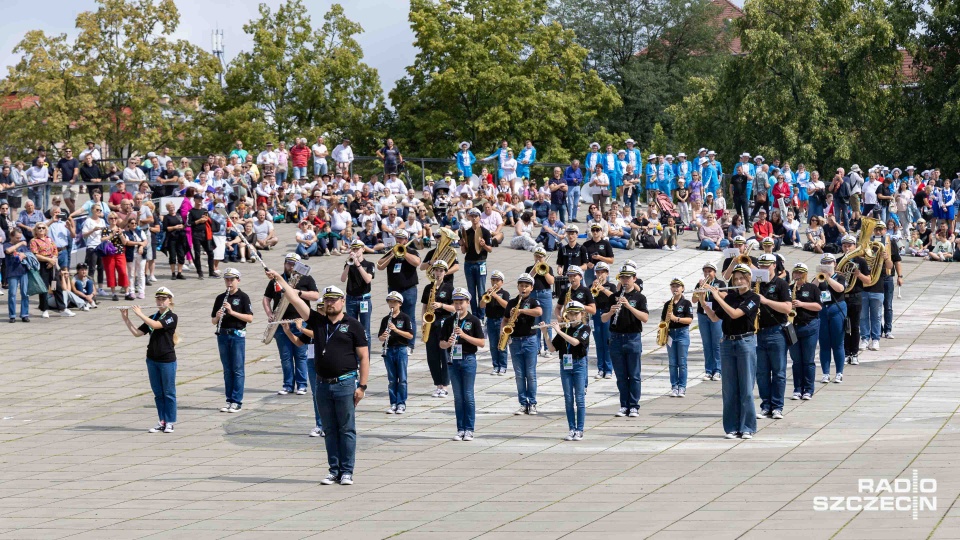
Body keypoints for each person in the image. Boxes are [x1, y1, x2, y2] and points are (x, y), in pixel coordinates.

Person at [270, 280, 370, 486]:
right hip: (322, 384)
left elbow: (364, 357)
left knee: (346, 428)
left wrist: (362, 386)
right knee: (329, 429)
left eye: (334, 300)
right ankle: (334, 470)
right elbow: (296, 300)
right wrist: (280, 281)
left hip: (344, 383)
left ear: (343, 301)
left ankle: (347, 471)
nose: (330, 304)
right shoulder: (318, 322)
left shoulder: (353, 325)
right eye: (327, 301)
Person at [701, 264, 760, 438]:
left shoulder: (753, 298)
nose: (738, 281)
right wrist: (704, 301)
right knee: (729, 388)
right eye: (736, 279)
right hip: (727, 343)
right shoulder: (730, 297)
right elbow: (714, 317)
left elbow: (735, 314)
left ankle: (747, 427)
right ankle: (732, 427)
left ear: (748, 279)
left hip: (745, 342)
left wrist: (718, 296)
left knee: (746, 388)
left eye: (742, 278)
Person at [119, 288, 179, 433]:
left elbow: (156, 325)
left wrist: (140, 313)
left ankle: (170, 421)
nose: (160, 302)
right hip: (152, 359)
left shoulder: (171, 316)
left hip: (167, 360)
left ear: (169, 300)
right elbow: (137, 333)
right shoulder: (153, 315)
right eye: (158, 299)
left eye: (163, 299)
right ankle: (162, 420)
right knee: (158, 393)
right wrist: (126, 318)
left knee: (169, 392)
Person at [263, 253, 319, 395]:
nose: (291, 266)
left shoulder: (306, 278)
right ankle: (288, 385)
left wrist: (298, 292)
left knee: (301, 355)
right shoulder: (276, 280)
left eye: (294, 264)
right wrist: (269, 313)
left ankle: (302, 385)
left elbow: (316, 296)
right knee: (285, 356)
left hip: (300, 321)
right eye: (288, 263)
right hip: (282, 322)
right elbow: (266, 298)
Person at [601, 262, 648, 418]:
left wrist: (629, 307)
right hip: (616, 338)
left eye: (628, 278)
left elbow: (645, 318)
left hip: (632, 337)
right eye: (623, 278)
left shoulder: (640, 297)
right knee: (621, 376)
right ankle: (623, 405)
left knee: (634, 375)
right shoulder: (614, 296)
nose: (625, 281)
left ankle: (634, 405)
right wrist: (611, 312)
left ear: (634, 279)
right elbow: (603, 318)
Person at [438, 288, 485, 441]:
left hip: (468, 359)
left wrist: (464, 335)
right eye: (456, 303)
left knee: (468, 396)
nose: (458, 306)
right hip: (453, 360)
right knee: (458, 397)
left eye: (461, 303)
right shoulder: (449, 321)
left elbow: (482, 343)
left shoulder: (474, 320)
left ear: (467, 303)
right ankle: (460, 429)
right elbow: (441, 344)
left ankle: (469, 429)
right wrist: (448, 343)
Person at [541, 301, 591, 441]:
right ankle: (571, 429)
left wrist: (558, 331)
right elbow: (552, 349)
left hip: (579, 364)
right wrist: (546, 333)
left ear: (582, 314)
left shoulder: (585, 328)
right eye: (570, 314)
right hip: (565, 365)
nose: (573, 316)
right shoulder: (565, 329)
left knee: (579, 399)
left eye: (576, 314)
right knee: (568, 399)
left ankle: (580, 430)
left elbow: (575, 342)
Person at [754, 253, 792, 421]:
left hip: (777, 331)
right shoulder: (755, 284)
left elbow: (787, 308)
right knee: (761, 373)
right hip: (759, 332)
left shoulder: (781, 284)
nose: (763, 268)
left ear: (774, 266)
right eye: (761, 265)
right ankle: (766, 405)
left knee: (779, 372)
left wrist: (766, 301)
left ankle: (777, 406)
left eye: (766, 265)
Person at [212, 268, 254, 413]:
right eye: (227, 280)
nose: (229, 282)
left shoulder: (243, 297)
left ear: (238, 280)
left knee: (237, 369)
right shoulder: (220, 298)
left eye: (232, 279)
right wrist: (218, 316)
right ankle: (229, 399)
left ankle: (237, 401)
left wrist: (232, 312)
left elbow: (250, 318)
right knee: (227, 369)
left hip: (237, 335)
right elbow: (213, 320)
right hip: (222, 334)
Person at [503, 273, 543, 415]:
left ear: (531, 288)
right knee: (519, 374)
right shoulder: (511, 302)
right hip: (515, 340)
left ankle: (532, 403)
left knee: (530, 373)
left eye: (526, 286)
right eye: (521, 286)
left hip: (529, 340)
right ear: (518, 287)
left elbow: (539, 312)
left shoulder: (533, 301)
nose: (523, 288)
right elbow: (506, 319)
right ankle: (522, 403)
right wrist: (504, 332)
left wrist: (521, 311)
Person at [787, 263, 822, 402]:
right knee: (796, 361)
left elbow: (819, 306)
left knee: (808, 360)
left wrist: (802, 304)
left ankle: (808, 389)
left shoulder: (812, 288)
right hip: (792, 327)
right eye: (796, 273)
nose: (798, 275)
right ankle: (797, 388)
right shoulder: (789, 289)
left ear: (806, 274)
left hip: (809, 326)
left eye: (801, 273)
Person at [422, 260, 455, 398]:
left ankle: (445, 385)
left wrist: (441, 305)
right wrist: (424, 321)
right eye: (436, 270)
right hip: (431, 323)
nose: (438, 273)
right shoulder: (428, 288)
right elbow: (424, 306)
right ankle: (438, 385)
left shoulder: (450, 288)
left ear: (445, 272)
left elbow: (454, 307)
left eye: (441, 270)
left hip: (444, 322)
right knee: (432, 357)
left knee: (444, 355)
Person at [377, 291, 413, 414]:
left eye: (394, 302)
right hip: (389, 349)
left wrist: (396, 330)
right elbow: (380, 338)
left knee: (402, 378)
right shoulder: (385, 319)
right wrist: (384, 335)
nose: (392, 304)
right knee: (392, 379)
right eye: (390, 302)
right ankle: (393, 403)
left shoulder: (405, 318)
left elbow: (410, 335)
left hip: (401, 349)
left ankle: (401, 403)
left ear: (400, 303)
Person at [816, 254, 847, 391]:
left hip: (837, 309)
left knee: (838, 342)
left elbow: (840, 289)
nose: (827, 264)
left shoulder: (840, 276)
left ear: (834, 264)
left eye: (829, 262)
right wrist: (819, 278)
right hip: (823, 310)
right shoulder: (820, 278)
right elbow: (811, 288)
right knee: (824, 343)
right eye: (824, 263)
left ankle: (839, 372)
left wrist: (828, 277)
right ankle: (825, 373)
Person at [839, 235, 869, 371]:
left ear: (854, 246)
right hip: (842, 296)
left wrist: (859, 275)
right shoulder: (838, 261)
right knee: (844, 327)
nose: (847, 248)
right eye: (844, 245)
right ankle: (846, 352)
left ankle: (854, 353)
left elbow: (868, 280)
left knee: (855, 326)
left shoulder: (861, 262)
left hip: (855, 296)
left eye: (849, 245)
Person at [692, 263, 725, 381]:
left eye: (709, 271)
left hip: (716, 314)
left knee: (717, 343)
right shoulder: (700, 284)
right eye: (705, 271)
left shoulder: (720, 283)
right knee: (707, 344)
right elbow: (694, 300)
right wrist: (700, 289)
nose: (707, 274)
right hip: (703, 314)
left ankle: (718, 370)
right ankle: (708, 370)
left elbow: (725, 296)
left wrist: (712, 289)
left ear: (714, 272)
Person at [663, 278, 694, 397]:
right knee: (672, 362)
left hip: (682, 333)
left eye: (677, 287)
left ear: (683, 288)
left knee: (682, 362)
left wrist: (676, 318)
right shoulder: (668, 304)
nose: (675, 289)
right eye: (673, 287)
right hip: (670, 333)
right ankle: (674, 386)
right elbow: (663, 320)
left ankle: (682, 387)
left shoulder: (686, 303)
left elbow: (690, 320)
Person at [340, 240, 376, 345]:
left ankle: (366, 358)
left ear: (363, 249)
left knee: (365, 330)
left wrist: (358, 264)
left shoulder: (369, 264)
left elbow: (368, 279)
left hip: (364, 299)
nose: (355, 251)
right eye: (353, 249)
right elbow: (342, 279)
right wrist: (348, 264)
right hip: (351, 299)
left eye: (357, 249)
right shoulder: (349, 263)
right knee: (352, 328)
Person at [460, 208, 493, 319]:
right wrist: (462, 244)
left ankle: (481, 316)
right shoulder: (466, 232)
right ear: (469, 217)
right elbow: (464, 251)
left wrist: (483, 245)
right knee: (471, 293)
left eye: (476, 216)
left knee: (481, 291)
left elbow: (490, 249)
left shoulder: (485, 232)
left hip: (481, 263)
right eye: (472, 216)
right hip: (468, 263)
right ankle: (474, 316)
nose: (474, 218)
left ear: (479, 217)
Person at [525, 246, 556, 354]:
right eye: (536, 256)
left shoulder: (548, 268)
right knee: (536, 323)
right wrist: (534, 269)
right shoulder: (530, 268)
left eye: (540, 257)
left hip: (545, 294)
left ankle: (548, 348)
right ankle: (537, 348)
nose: (538, 259)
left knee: (546, 322)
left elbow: (551, 281)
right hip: (533, 295)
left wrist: (544, 271)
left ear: (544, 257)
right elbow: (527, 280)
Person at [479, 270, 511, 375]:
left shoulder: (504, 293)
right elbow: (481, 305)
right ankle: (495, 366)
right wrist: (488, 295)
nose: (495, 282)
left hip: (501, 320)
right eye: (493, 280)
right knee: (493, 345)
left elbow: (507, 305)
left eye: (497, 280)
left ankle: (503, 366)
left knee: (502, 343)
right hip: (490, 320)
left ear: (502, 282)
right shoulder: (487, 293)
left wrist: (496, 296)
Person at [4, 228, 30, 322]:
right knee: (12, 294)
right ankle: (12, 315)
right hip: (12, 272)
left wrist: (24, 255)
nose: (19, 239)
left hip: (23, 271)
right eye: (17, 238)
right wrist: (20, 244)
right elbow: (8, 251)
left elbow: (28, 254)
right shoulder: (7, 244)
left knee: (25, 293)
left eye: (20, 238)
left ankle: (24, 314)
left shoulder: (23, 246)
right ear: (11, 236)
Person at [187, 194, 215, 279]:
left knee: (210, 252)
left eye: (201, 199)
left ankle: (211, 272)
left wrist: (207, 219)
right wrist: (199, 221)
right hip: (196, 234)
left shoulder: (204, 210)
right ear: (194, 200)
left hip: (205, 234)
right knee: (197, 254)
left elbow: (210, 221)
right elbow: (188, 223)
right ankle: (200, 272)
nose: (200, 201)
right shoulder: (191, 211)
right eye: (198, 199)